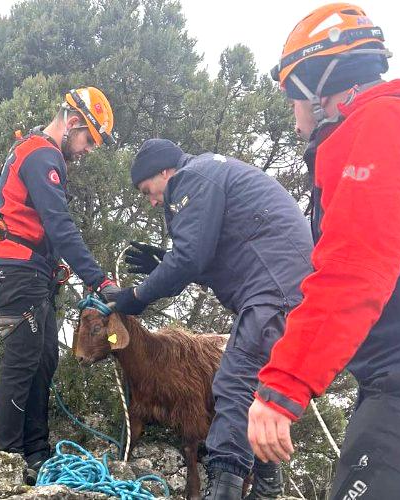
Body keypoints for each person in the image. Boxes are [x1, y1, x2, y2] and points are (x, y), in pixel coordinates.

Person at [247, 4, 400, 499]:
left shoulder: (380, 125)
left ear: (311, 83)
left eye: (290, 96)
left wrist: (283, 384)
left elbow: (356, 267)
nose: (293, 112)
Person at [112, 138, 313, 499]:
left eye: (148, 191)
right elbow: (211, 256)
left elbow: (191, 258)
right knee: (255, 390)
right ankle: (267, 487)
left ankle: (224, 489)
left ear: (164, 171)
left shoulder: (193, 177)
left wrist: (137, 296)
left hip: (274, 290)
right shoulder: (210, 172)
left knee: (233, 382)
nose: (153, 201)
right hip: (283, 286)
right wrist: (164, 263)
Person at [0, 87, 120, 483]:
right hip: (16, 272)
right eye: (89, 139)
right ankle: (9, 460)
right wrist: (100, 280)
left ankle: (37, 454)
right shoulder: (43, 155)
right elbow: (60, 227)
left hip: (25, 272)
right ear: (74, 122)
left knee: (43, 360)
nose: (88, 149)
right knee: (23, 362)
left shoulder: (32, 152)